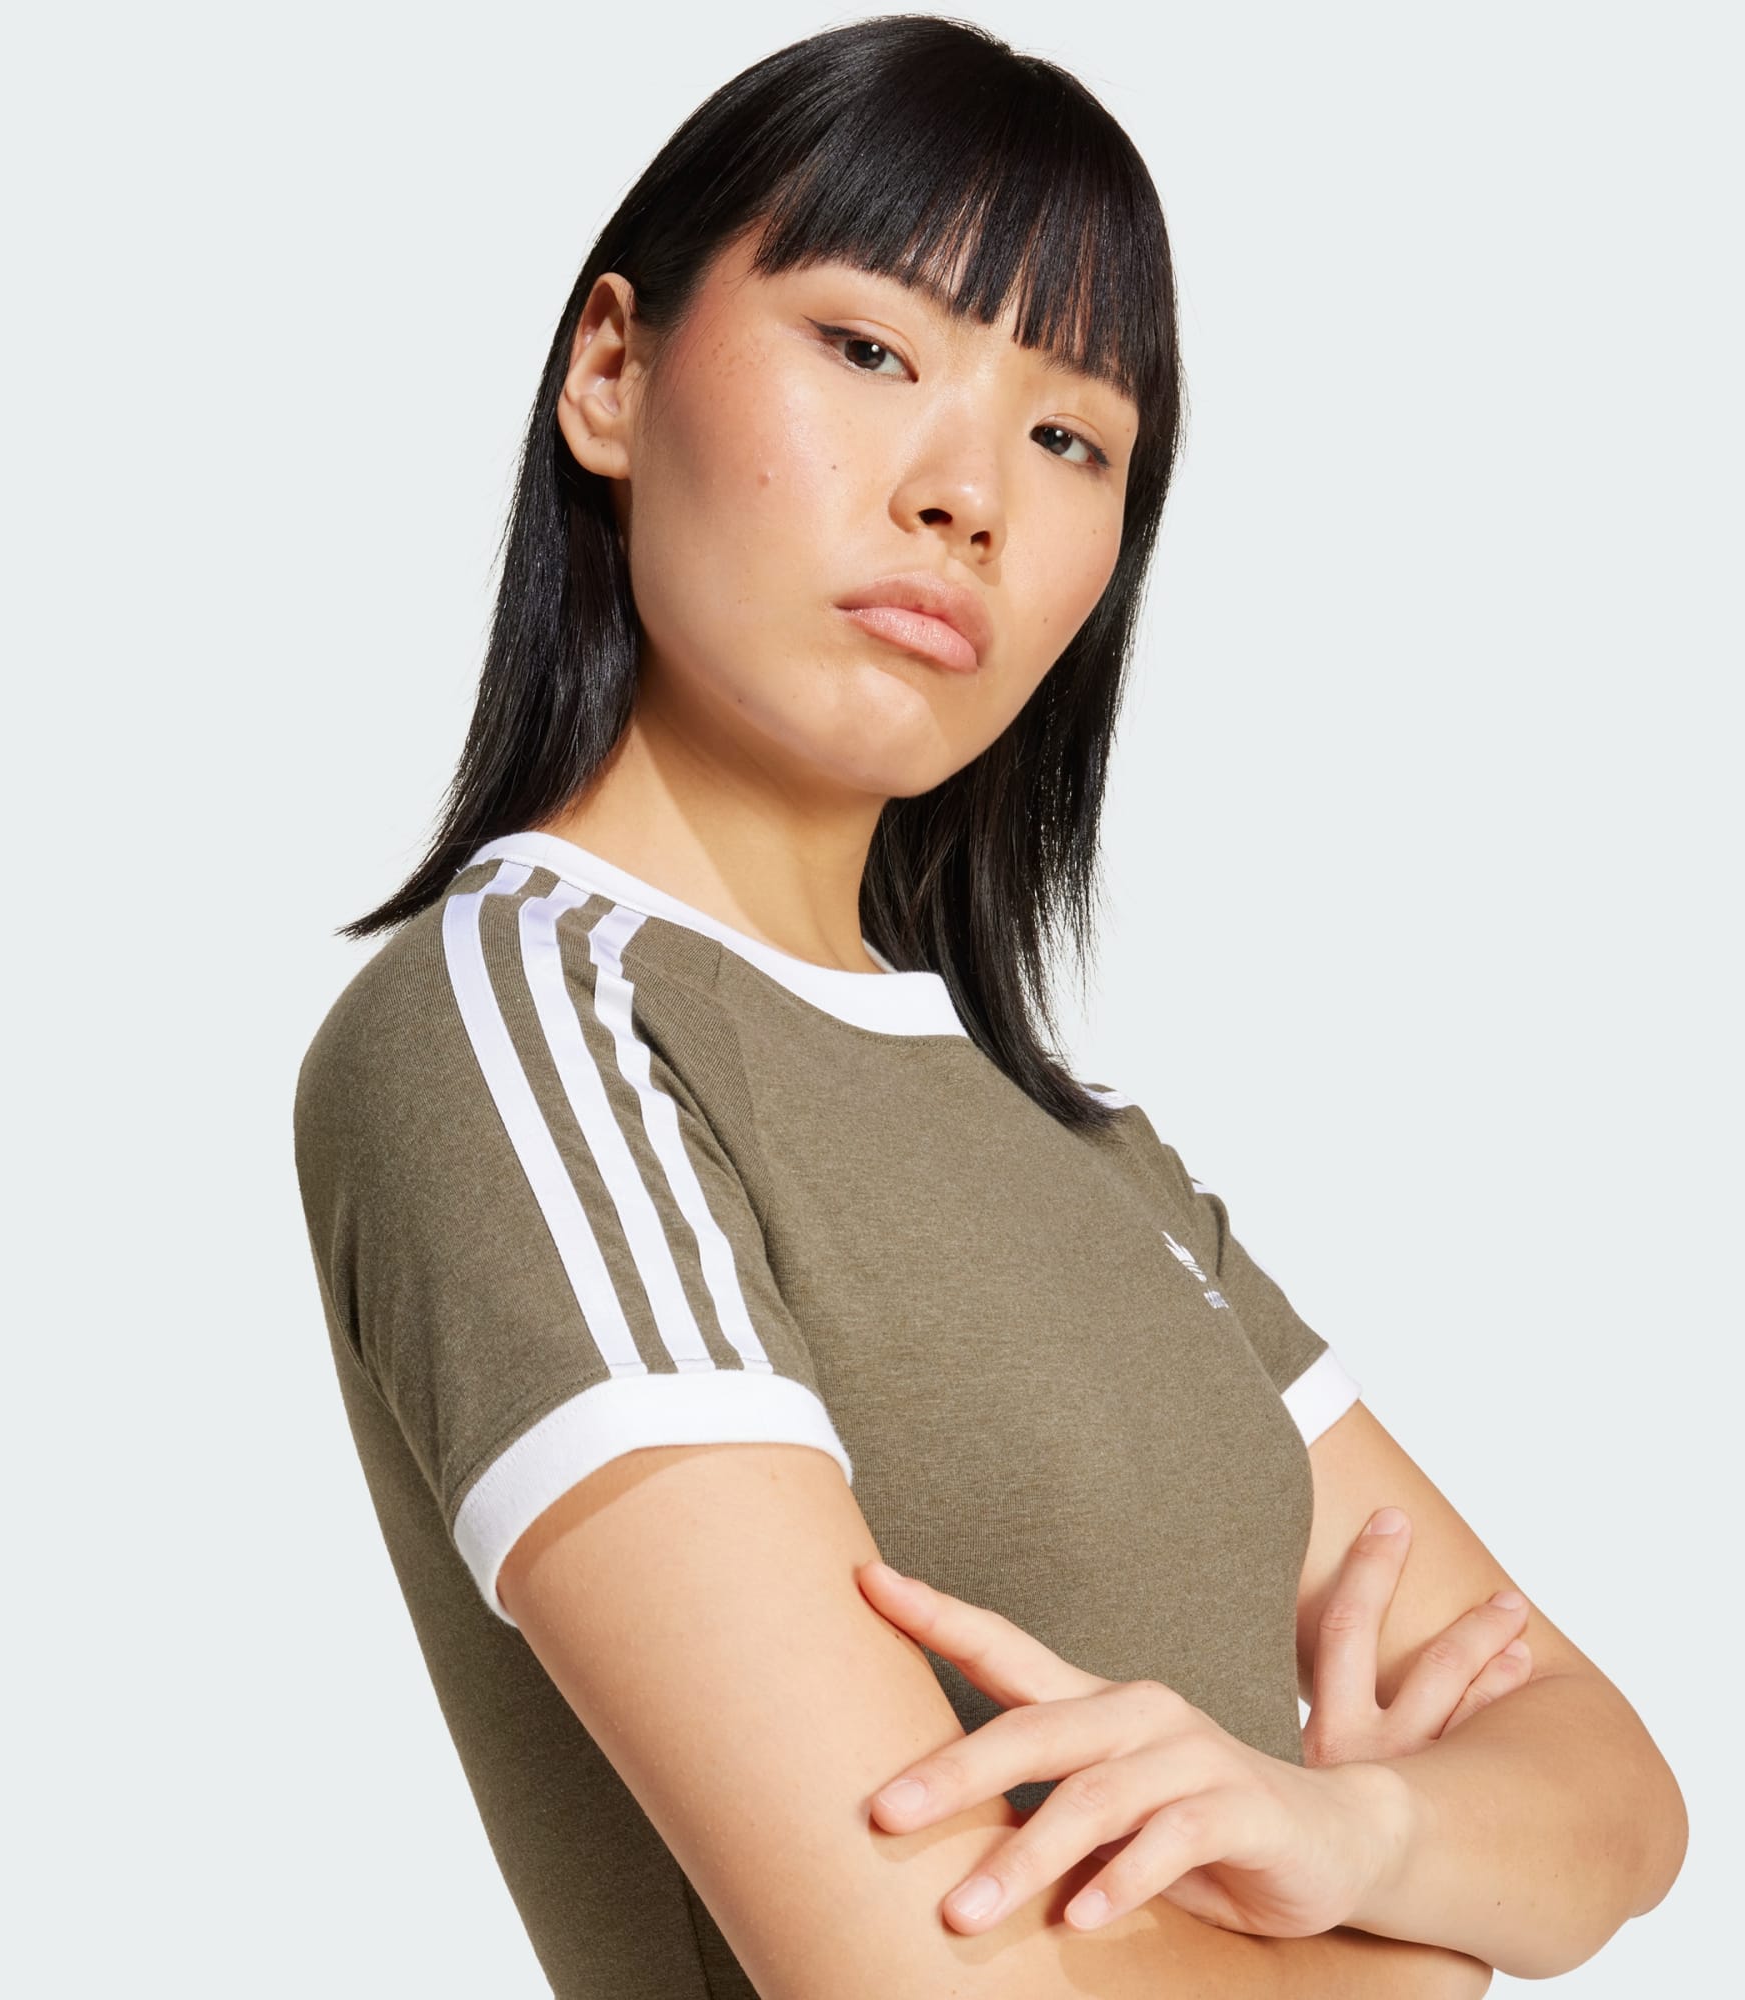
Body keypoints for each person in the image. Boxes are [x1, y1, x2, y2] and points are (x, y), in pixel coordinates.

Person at [290, 17, 1686, 1996]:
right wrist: (1428, 1953)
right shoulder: (523, 1029)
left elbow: (1615, 1794)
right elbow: (925, 1979)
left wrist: (1347, 1835)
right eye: (869, 349)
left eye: (1071, 439)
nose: (968, 496)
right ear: (611, 371)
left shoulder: (1078, 1144)